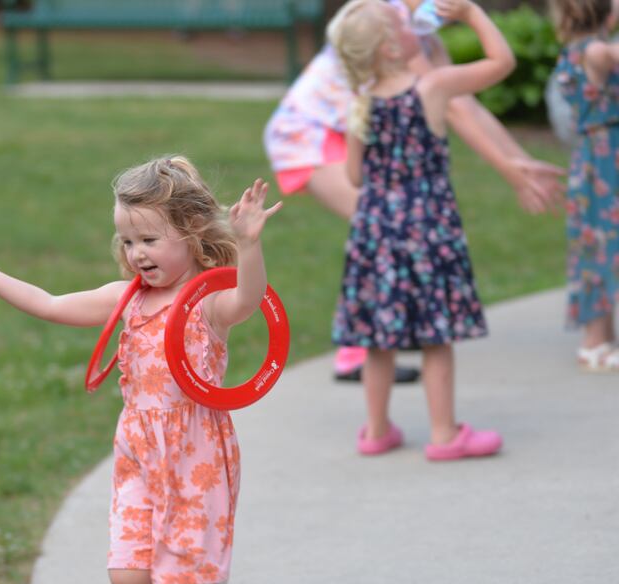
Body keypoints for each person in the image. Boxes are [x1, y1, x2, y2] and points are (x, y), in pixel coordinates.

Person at [0, 157, 282, 584]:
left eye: (148, 239)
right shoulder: (125, 300)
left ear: (190, 233)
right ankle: (196, 582)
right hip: (140, 451)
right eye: (127, 241)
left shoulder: (206, 301)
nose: (136, 253)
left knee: (177, 568)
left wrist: (249, 243)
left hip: (196, 454)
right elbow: (52, 304)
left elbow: (249, 301)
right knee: (129, 577)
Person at [264, 0, 564, 383]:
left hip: (346, 131)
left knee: (387, 234)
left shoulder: (416, 29)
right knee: (378, 232)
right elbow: (452, 108)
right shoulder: (387, 22)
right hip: (306, 135)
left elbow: (462, 101)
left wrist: (520, 162)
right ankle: (357, 351)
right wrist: (510, 171)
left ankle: (392, 332)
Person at [328, 0, 513, 460]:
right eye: (402, 23)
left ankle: (375, 431)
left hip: (375, 232)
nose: (413, 22)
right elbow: (501, 63)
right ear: (392, 47)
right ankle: (445, 434)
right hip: (427, 228)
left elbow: (353, 177)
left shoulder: (361, 103)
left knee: (377, 336)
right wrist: (471, 15)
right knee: (435, 334)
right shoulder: (431, 87)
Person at [549, 0, 619, 371]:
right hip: (606, 159)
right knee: (603, 244)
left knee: (599, 244)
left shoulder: (575, 50)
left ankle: (602, 340)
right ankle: (595, 340)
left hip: (596, 156)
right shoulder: (593, 50)